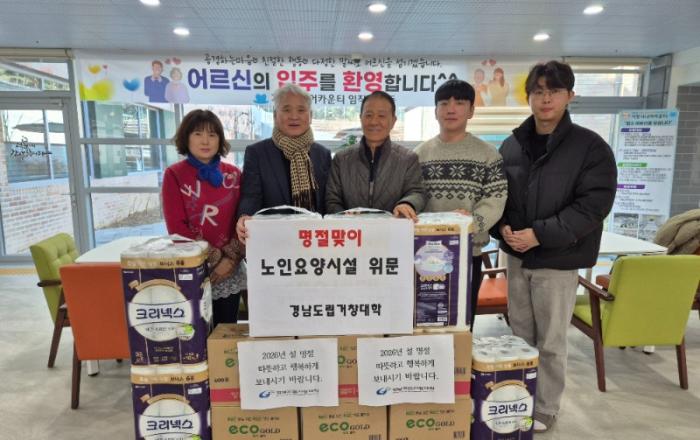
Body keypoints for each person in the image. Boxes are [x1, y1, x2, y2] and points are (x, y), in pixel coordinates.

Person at [490, 60, 617, 432]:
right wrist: (503, 227)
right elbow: (499, 195)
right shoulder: (512, 144)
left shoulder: (590, 148)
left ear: (570, 95)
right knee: (519, 337)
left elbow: (592, 205)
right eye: (538, 91)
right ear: (528, 96)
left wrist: (540, 234)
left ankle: (545, 408)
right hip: (516, 257)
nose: (546, 99)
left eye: (555, 91)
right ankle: (518, 400)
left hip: (557, 260)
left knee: (550, 341)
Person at [415, 79, 507, 330]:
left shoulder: (488, 154)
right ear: (435, 111)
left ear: (471, 111)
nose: (451, 109)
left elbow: (495, 199)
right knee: (425, 321)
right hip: (424, 253)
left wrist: (468, 224)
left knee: (463, 322)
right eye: (444, 103)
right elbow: (413, 196)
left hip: (469, 252)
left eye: (459, 103)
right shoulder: (419, 154)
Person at [162, 109, 245, 326]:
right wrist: (215, 259)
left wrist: (230, 260)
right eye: (198, 134)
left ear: (220, 139)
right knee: (194, 333)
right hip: (193, 266)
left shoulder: (234, 174)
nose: (205, 141)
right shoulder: (174, 174)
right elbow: (176, 227)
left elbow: (244, 218)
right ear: (186, 138)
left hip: (230, 269)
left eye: (212, 134)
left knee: (226, 329)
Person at [236, 84, 332, 242]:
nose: (294, 116)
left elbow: (328, 201)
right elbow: (251, 196)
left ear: (310, 116)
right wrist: (245, 216)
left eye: (301, 110)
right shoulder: (257, 153)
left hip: (315, 239)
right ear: (275, 115)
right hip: (274, 239)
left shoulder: (323, 154)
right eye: (286, 110)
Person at [325, 91, 425, 220]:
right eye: (368, 115)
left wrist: (407, 203)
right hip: (352, 229)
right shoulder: (342, 159)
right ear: (361, 118)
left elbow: (417, 192)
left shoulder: (408, 159)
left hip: (392, 229)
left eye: (381, 116)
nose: (374, 121)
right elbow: (332, 199)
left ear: (393, 120)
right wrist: (345, 218)